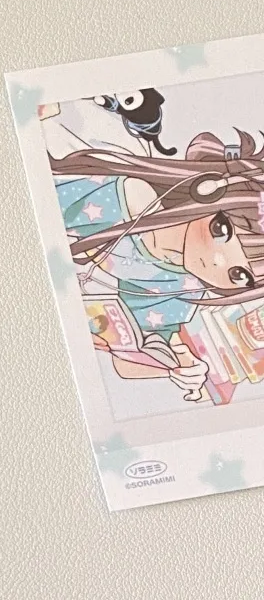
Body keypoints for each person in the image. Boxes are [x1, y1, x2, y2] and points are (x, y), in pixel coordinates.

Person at [42, 104, 264, 401]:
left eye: (238, 275)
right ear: (208, 190)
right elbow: (42, 212)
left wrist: (175, 367)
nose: (217, 260)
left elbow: (127, 359)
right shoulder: (130, 197)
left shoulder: (184, 286)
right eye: (221, 230)